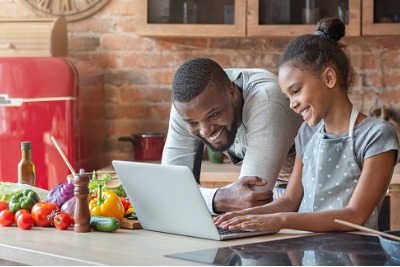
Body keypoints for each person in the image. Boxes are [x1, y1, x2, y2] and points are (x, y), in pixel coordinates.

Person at [214, 17, 400, 232]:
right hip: (306, 254)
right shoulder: (307, 132)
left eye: (296, 91)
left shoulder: (376, 135)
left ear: (329, 78)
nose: (292, 104)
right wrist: (236, 217)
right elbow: (290, 201)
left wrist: (281, 221)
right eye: (288, 97)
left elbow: (355, 215)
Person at [162, 58, 303, 214]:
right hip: (272, 205)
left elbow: (251, 198)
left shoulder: (267, 100)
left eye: (214, 114)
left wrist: (192, 198)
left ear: (232, 91)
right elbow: (170, 186)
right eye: (193, 123)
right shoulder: (188, 106)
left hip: (311, 201)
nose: (205, 131)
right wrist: (219, 198)